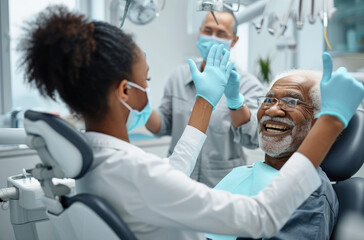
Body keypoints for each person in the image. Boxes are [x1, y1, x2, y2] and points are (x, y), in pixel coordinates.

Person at [19, 6, 364, 240]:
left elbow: (170, 171)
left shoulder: (95, 161)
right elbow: (260, 216)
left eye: (290, 102)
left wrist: (205, 102)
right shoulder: (130, 170)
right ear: (125, 90)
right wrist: (332, 120)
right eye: (148, 81)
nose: (272, 110)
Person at [206, 70, 339, 240]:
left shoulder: (308, 192)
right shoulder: (244, 172)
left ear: (318, 123)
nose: (272, 110)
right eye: (268, 100)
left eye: (291, 102)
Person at [146, 10, 264, 187]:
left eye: (221, 33)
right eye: (208, 31)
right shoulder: (179, 76)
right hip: (179, 180)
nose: (213, 38)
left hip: (223, 184)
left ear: (234, 40)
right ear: (199, 31)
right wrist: (140, 100)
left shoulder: (247, 84)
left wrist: (235, 101)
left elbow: (253, 139)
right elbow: (161, 126)